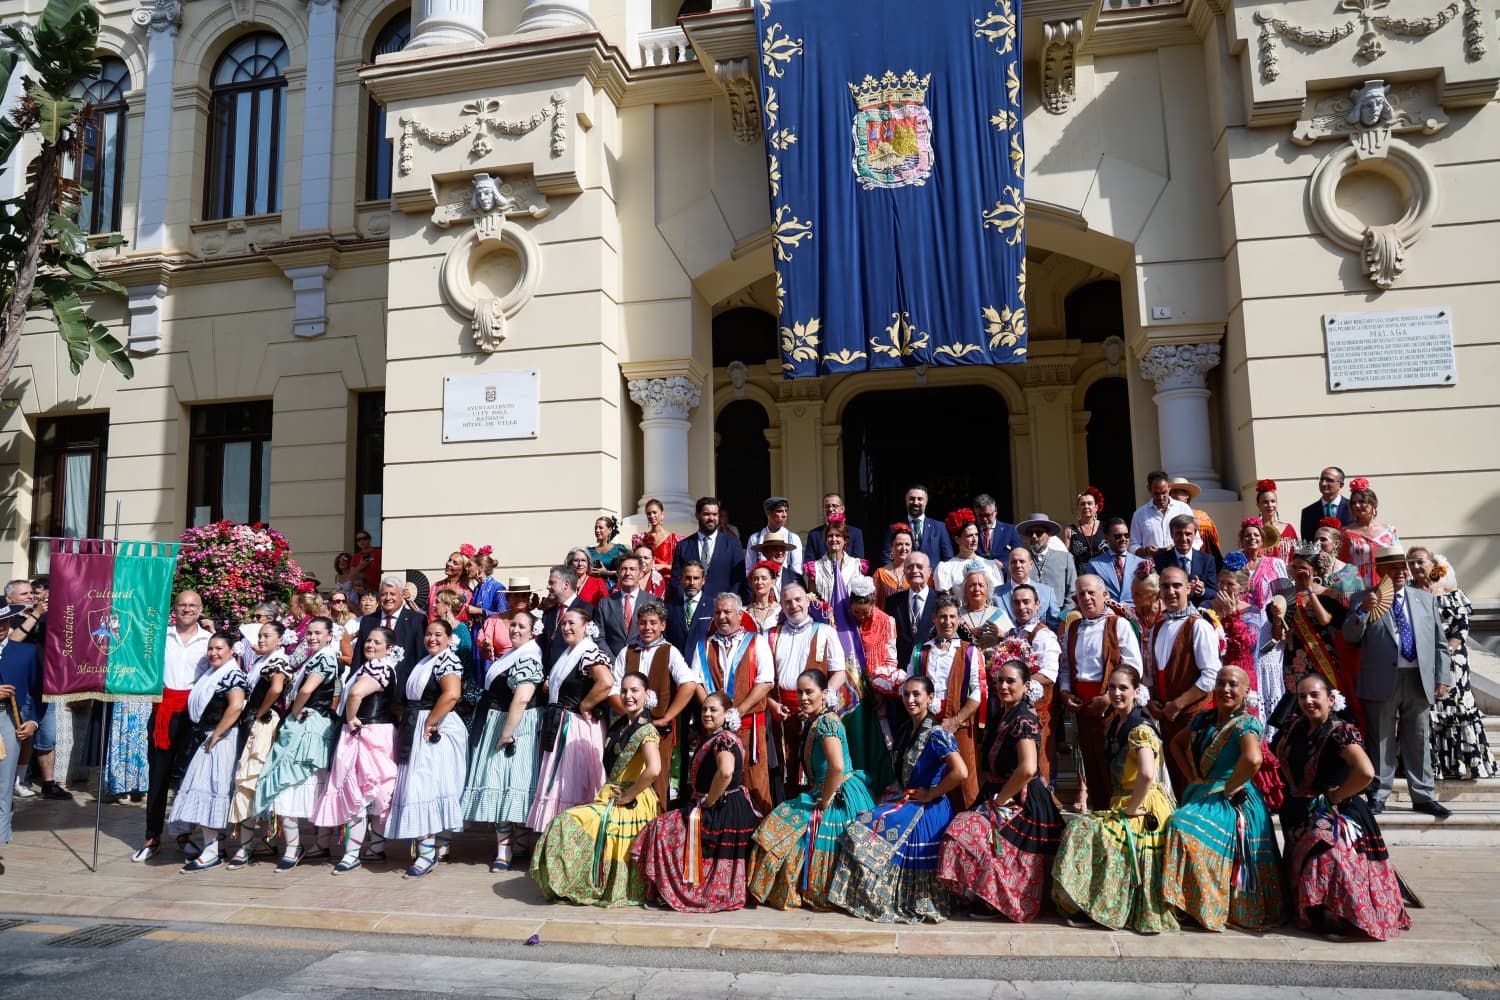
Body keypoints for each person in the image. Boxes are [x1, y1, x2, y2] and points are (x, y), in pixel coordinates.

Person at [1274, 673, 1409, 939]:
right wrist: (1296, 787)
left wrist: (1336, 796)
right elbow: (1280, 753)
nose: (1308, 701)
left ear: (1330, 699)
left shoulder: (1341, 731)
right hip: (1301, 809)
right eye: (1302, 696)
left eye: (1315, 695)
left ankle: (1334, 911)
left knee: (1326, 848)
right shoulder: (1296, 726)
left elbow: (1366, 772)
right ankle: (1312, 906)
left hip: (1340, 811)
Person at [828, 675, 968, 923]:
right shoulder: (907, 729)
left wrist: (931, 793)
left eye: (917, 694)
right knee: (862, 824)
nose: (910, 700)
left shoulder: (937, 733)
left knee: (864, 830)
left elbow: (961, 772)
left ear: (930, 698)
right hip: (911, 800)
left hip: (928, 807)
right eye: (906, 694)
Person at [1051, 665, 1178, 934]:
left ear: (1136, 691)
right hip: (1124, 802)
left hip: (1143, 806)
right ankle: (1089, 901)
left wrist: (1131, 810)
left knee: (1084, 831)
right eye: (1112, 687)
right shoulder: (1117, 723)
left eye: (1123, 688)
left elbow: (1146, 774)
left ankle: (1100, 905)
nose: (1117, 693)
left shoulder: (1140, 727)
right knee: (1081, 829)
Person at [1160, 666, 1284, 931]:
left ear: (1246, 691)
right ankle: (1192, 903)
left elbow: (1253, 759)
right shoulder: (1203, 719)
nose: (1226, 689)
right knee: (1180, 825)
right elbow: (1175, 744)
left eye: (1233, 684)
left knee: (1181, 826)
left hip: (1234, 800)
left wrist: (1230, 787)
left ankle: (1205, 904)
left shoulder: (1247, 723)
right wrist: (1192, 775)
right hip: (1203, 792)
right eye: (1221, 683)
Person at [938, 658, 1061, 922]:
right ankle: (985, 894)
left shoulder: (1024, 718)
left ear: (1026, 686)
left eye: (1011, 681)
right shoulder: (1002, 716)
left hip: (1021, 799)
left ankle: (997, 899)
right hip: (998, 793)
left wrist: (1000, 801)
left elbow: (1028, 768)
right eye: (1000, 681)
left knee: (963, 828)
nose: (1004, 686)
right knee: (962, 827)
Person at [748, 669, 876, 910]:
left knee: (783, 830)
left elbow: (837, 767)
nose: (803, 698)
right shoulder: (817, 720)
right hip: (827, 789)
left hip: (838, 795)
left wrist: (825, 802)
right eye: (800, 692)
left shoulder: (827, 722)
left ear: (824, 693)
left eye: (809, 692)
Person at [531, 671, 662, 906]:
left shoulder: (647, 730)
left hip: (632, 800)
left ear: (646, 694)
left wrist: (629, 795)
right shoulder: (621, 724)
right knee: (565, 821)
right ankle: (570, 883)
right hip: (612, 795)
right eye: (624, 691)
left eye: (635, 691)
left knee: (567, 821)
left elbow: (654, 769)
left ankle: (576, 883)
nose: (628, 696)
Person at [1344, 546, 1451, 818]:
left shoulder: (1424, 599)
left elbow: (1439, 643)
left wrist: (1442, 676)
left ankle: (1423, 796)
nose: (1400, 572)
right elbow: (1350, 636)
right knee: (1381, 739)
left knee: (1418, 738)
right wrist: (1363, 612)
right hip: (1381, 679)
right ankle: (1378, 794)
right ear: (1380, 570)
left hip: (1418, 678)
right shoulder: (1363, 598)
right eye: (1392, 567)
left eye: (1403, 566)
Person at [633, 691, 761, 913]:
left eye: (713, 710)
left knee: (660, 828)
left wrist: (710, 800)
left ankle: (675, 890)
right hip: (721, 805)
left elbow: (726, 771)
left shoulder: (723, 740)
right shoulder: (718, 737)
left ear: (726, 714)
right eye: (704, 709)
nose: (707, 714)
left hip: (720, 809)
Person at [311, 628, 403, 874]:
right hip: (376, 733)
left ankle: (353, 853)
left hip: (367, 733)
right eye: (368, 641)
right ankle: (375, 847)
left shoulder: (378, 667)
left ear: (389, 648)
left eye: (377, 642)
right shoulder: (380, 667)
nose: (370, 645)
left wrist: (351, 718)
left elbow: (355, 693)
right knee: (374, 792)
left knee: (360, 793)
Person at [462, 609, 545, 871]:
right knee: (503, 782)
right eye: (513, 625)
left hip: (515, 725)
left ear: (533, 632)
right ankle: (511, 845)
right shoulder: (513, 654)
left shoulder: (529, 657)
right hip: (499, 719)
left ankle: (508, 848)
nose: (515, 630)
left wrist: (506, 733)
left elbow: (521, 698)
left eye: (521, 626)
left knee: (508, 781)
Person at [385, 620, 469, 877]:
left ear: (449, 638)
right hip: (417, 723)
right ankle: (432, 847)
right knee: (423, 785)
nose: (432, 638)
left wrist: (431, 722)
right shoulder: (425, 661)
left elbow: (452, 694)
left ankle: (427, 852)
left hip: (434, 726)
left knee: (425, 786)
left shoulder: (448, 660)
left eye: (438, 634)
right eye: (429, 634)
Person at [254, 617, 339, 870]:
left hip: (309, 725)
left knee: (291, 784)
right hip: (312, 724)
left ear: (329, 636)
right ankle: (316, 845)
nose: (312, 637)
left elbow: (306, 690)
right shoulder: (317, 657)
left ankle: (296, 847)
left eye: (318, 633)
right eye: (309, 633)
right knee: (307, 786)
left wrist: (294, 711)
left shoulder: (325, 658)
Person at [133, 591, 211, 863]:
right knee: (158, 776)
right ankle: (152, 836)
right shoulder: (158, 637)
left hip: (194, 714)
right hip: (163, 714)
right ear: (174, 609)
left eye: (192, 605)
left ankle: (183, 835)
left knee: (188, 778)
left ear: (200, 609)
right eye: (182, 605)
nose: (187, 609)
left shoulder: (209, 641)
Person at [1408, 547, 1497, 780]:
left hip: (1453, 661)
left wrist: (1444, 653)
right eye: (1411, 562)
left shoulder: (1452, 594)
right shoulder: (1407, 593)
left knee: (1456, 707)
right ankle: (1430, 766)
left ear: (1433, 564)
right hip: (1419, 660)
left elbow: (1461, 628)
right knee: (1427, 710)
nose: (1415, 566)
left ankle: (1462, 763)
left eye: (1420, 562)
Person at [1059, 576, 1144, 812]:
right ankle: (1099, 815)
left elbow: (1134, 668)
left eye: (1091, 593)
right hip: (1082, 708)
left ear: (1105, 595)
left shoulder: (1119, 625)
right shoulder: (1073, 627)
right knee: (1091, 766)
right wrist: (1065, 692)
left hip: (1112, 709)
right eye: (1081, 594)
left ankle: (1118, 816)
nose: (1086, 598)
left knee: (1113, 767)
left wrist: (1109, 698)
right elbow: (1065, 666)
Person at [527, 605, 612, 834]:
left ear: (586, 627)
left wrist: (586, 704)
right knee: (559, 780)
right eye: (564, 623)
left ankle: (574, 834)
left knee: (571, 781)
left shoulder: (589, 651)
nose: (566, 627)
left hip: (575, 727)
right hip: (561, 722)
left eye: (572, 623)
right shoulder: (569, 653)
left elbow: (606, 682)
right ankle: (557, 836)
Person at [169, 632, 249, 873]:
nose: (213, 653)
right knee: (204, 790)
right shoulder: (213, 673)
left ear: (231, 650)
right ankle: (213, 847)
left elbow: (236, 705)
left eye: (219, 648)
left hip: (220, 739)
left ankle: (212, 851)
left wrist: (216, 735)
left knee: (209, 790)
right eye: (210, 648)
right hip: (209, 737)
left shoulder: (232, 674)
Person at [609, 600, 701, 805]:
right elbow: (614, 690)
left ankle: (655, 822)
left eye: (653, 623)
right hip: (629, 728)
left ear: (663, 625)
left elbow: (689, 684)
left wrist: (668, 717)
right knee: (627, 777)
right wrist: (630, 716)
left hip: (659, 729)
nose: (647, 628)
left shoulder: (670, 651)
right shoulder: (627, 651)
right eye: (643, 623)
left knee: (657, 781)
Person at [690, 593, 774, 814]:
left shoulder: (757, 642)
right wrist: (713, 713)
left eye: (727, 612)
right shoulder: (703, 646)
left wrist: (739, 711)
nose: (722, 617)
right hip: (713, 730)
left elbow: (766, 681)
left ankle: (758, 831)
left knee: (754, 781)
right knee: (716, 778)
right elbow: (696, 682)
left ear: (740, 614)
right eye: (717, 612)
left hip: (748, 726)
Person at [767, 583, 847, 797]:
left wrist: (821, 701)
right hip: (780, 713)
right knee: (785, 767)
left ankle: (820, 807)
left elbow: (839, 672)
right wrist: (772, 704)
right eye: (787, 602)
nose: (793, 605)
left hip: (815, 711)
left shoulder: (825, 631)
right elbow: (762, 677)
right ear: (781, 605)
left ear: (807, 601)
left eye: (798, 600)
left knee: (816, 764)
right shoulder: (771, 635)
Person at [1146, 567, 1222, 790]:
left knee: (1195, 780)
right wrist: (1152, 700)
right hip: (1168, 718)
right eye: (1165, 586)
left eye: (1176, 585)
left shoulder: (1199, 626)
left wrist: (1178, 704)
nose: (1171, 591)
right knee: (1177, 781)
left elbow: (1211, 676)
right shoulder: (1157, 627)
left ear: (1188, 588)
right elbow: (1151, 673)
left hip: (1193, 718)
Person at [225, 622, 294, 868]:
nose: (262, 640)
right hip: (255, 720)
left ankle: (246, 847)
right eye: (260, 636)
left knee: (250, 778)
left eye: (267, 636)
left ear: (280, 639)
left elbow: (276, 689)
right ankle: (255, 842)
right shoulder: (262, 661)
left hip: (263, 723)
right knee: (249, 779)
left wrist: (260, 712)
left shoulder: (278, 660)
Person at [910, 595, 983, 811]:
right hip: (927, 726)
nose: (947, 622)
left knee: (965, 782)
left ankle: (966, 827)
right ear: (934, 618)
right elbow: (910, 685)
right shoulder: (920, 651)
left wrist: (956, 720)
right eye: (942, 616)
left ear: (959, 619)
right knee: (928, 778)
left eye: (952, 617)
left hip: (960, 726)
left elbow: (978, 691)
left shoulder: (970, 651)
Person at [1007, 585, 1061, 782]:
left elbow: (1049, 674)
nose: (1021, 607)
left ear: (1037, 604)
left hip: (1038, 713)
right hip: (1015, 713)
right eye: (1017, 602)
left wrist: (1017, 684)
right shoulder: (1011, 634)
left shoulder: (1045, 635)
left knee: (1038, 769)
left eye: (1026, 602)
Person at [0, 611, 41, 866]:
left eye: (4, 621)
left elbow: (39, 692)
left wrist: (33, 722)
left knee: (4, 786)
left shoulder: (26, 652)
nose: (1, 627)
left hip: (8, 721)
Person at [849, 577, 902, 742]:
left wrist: (881, 690)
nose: (861, 617)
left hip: (877, 687)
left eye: (865, 612)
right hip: (851, 687)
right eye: (856, 612)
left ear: (873, 604)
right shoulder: (845, 620)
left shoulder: (886, 622)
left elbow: (891, 660)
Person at [347, 576, 426, 686]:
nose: (388, 598)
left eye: (392, 594)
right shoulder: (368, 620)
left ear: (402, 595)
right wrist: (351, 684)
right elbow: (358, 657)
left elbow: (420, 657)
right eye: (384, 594)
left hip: (402, 687)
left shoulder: (417, 620)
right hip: (370, 686)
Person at [672, 497, 745, 602]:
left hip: (722, 607)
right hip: (690, 606)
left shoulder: (733, 545)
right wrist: (686, 602)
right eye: (707, 514)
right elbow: (676, 580)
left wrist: (728, 602)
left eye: (715, 514)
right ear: (697, 515)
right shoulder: (683, 546)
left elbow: (739, 579)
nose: (711, 518)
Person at [1341, 478, 1401, 590]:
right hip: (1358, 589)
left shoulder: (1389, 531)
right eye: (1354, 503)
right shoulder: (1345, 533)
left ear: (1373, 503)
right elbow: (1341, 565)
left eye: (1362, 501)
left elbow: (1398, 560)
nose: (1357, 505)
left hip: (1387, 588)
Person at [1152, 514, 1219, 607]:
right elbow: (1155, 590)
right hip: (1170, 611)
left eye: (1188, 534)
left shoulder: (1207, 560)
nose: (1183, 538)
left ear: (1195, 534)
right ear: (1171, 535)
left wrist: (1201, 591)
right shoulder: (1160, 560)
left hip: (1199, 611)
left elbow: (1214, 593)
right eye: (1179, 534)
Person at [1018, 513, 1077, 619]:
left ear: (1049, 535)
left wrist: (1063, 617)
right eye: (1030, 533)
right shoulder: (1019, 561)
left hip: (1059, 616)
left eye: (1039, 533)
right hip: (1027, 618)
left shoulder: (1065, 558)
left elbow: (1072, 591)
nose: (1034, 536)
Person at [935, 511, 1003, 597]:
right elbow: (945, 600)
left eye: (976, 535)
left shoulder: (990, 565)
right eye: (970, 536)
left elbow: (998, 597)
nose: (974, 539)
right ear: (957, 540)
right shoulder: (947, 568)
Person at [886, 553, 936, 670]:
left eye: (919, 566)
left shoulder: (941, 601)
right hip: (901, 668)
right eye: (909, 567)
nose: (914, 570)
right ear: (904, 572)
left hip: (931, 666)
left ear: (929, 571)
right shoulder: (892, 602)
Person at [1130, 470, 1195, 559]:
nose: (1161, 497)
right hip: (1153, 565)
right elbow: (1132, 545)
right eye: (1156, 493)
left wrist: (1180, 548)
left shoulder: (1183, 509)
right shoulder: (1139, 514)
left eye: (1164, 493)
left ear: (1169, 487)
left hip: (1179, 563)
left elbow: (1197, 540)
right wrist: (1146, 551)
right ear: (1149, 489)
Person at [882, 484, 953, 565]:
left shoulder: (939, 527)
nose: (915, 502)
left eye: (920, 499)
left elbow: (948, 558)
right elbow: (886, 556)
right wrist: (896, 572)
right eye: (912, 499)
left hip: (932, 573)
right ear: (906, 500)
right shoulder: (894, 528)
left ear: (926, 501)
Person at [803, 520, 868, 605]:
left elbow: (860, 598)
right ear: (825, 540)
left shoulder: (856, 565)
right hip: (825, 613)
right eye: (830, 536)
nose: (834, 539)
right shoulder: (815, 567)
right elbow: (812, 598)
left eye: (838, 536)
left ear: (845, 540)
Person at [1086, 518, 1148, 606]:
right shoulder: (1094, 565)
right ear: (1106, 537)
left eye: (1126, 535)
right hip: (1107, 611)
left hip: (1135, 611)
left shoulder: (1141, 563)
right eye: (1118, 536)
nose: (1123, 539)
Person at [995, 547, 1060, 628]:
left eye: (1022, 561)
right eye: (1014, 562)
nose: (1018, 565)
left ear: (1031, 565)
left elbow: (1055, 625)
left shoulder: (1047, 593)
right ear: (1009, 565)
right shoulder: (995, 594)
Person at [596, 554, 646, 656]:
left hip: (643, 660)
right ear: (618, 573)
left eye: (632, 569)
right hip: (612, 661)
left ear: (641, 573)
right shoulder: (604, 604)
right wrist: (613, 661)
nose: (627, 573)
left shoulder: (652, 601)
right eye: (623, 569)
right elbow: (599, 637)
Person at [744, 496, 803, 577]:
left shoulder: (793, 538)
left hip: (786, 582)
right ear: (768, 513)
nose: (784, 515)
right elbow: (749, 569)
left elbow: (797, 571)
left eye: (786, 511)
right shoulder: (755, 539)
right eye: (779, 511)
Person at [666, 560, 713, 657]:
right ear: (681, 580)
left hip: (703, 662)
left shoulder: (713, 606)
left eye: (696, 578)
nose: (692, 583)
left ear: (703, 580)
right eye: (687, 578)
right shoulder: (670, 607)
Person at [541, 565, 584, 670]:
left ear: (566, 584)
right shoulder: (548, 613)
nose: (548, 587)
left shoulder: (587, 611)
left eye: (552, 583)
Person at [1170, 477, 1221, 560]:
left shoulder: (1202, 518)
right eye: (1170, 493)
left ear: (1187, 495)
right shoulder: (1163, 516)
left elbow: (1210, 548)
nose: (1172, 496)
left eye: (1176, 492)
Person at [804, 493, 865, 561]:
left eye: (834, 506)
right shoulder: (814, 534)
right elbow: (809, 562)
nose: (830, 509)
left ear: (842, 509)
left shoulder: (856, 533)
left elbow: (858, 562)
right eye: (827, 506)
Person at [631, 497, 680, 582]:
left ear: (662, 514)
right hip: (646, 582)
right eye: (648, 513)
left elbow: (681, 567)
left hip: (668, 583)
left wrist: (664, 566)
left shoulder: (674, 540)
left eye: (654, 512)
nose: (651, 516)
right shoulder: (640, 539)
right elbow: (636, 563)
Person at [1064, 487, 1109, 576]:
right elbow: (1065, 558)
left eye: (1089, 503)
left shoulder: (1106, 527)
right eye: (1082, 504)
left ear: (1096, 507)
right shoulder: (1070, 530)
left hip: (1104, 576)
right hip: (1081, 578)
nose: (1086, 506)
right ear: (1078, 508)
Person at [1300, 466, 1352, 540]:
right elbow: (1307, 542)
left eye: (1329, 480)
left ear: (1341, 485)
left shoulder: (1352, 508)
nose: (1323, 483)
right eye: (1322, 479)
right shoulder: (1308, 512)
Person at [1254, 479, 1299, 563]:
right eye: (1265, 502)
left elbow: (1296, 555)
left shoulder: (1289, 529)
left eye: (1273, 501)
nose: (1270, 505)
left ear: (1277, 503)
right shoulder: (1255, 530)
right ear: (1258, 505)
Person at [1314, 521, 1363, 598]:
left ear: (1336, 544)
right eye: (1315, 540)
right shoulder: (1309, 567)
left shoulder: (1350, 570)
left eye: (1323, 539)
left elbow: (1358, 598)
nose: (1317, 543)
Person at [748, 528, 802, 597]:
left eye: (782, 549)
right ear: (765, 553)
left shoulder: (795, 577)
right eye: (775, 549)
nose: (780, 553)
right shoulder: (755, 578)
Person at [873, 523, 913, 609]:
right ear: (891, 548)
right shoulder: (880, 574)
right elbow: (873, 605)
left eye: (907, 544)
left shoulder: (917, 574)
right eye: (899, 544)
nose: (904, 548)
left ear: (911, 548)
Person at [973, 493, 1022, 562]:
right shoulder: (971, 531)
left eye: (987, 515)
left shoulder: (1010, 530)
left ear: (995, 511)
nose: (984, 519)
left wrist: (1004, 565)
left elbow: (1019, 556)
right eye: (980, 515)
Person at [585, 515, 630, 590]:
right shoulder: (589, 551)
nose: (597, 530)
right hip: (593, 588)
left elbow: (628, 571)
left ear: (610, 530)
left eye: (600, 527)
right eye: (596, 528)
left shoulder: (620, 549)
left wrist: (607, 572)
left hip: (613, 590)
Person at [744, 560, 784, 634]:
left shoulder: (780, 611)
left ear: (773, 582)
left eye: (764, 578)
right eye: (755, 579)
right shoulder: (745, 611)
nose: (759, 582)